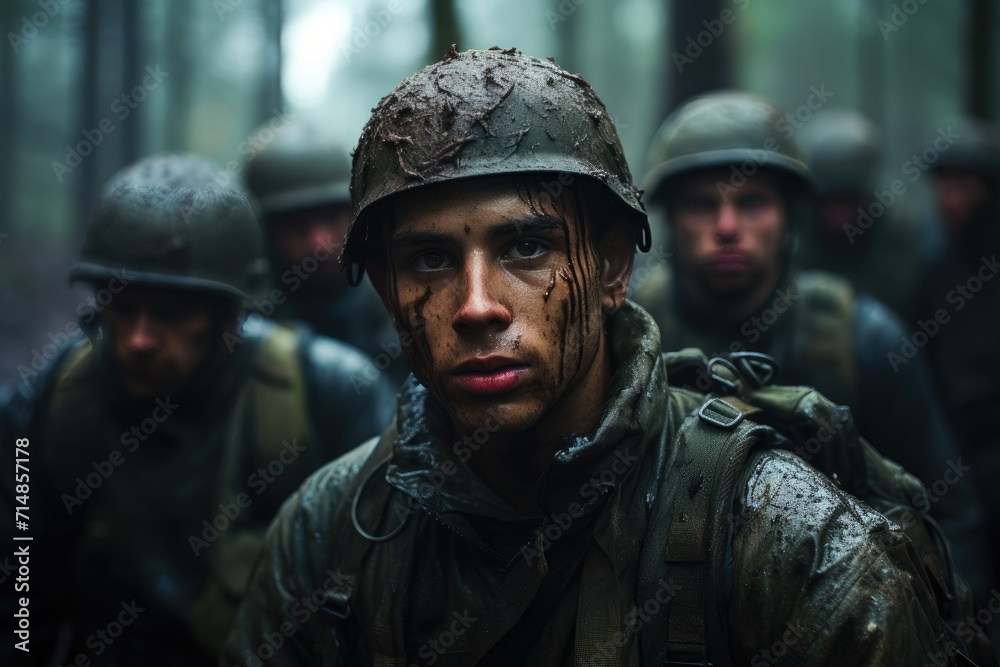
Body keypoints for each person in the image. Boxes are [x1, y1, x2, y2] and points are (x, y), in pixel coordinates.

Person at [225, 49, 990, 666]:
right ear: (389, 293)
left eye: (526, 246)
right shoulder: (329, 535)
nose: (477, 304)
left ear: (615, 269)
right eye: (428, 259)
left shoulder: (783, 539)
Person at [0, 154, 394, 666]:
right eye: (121, 306)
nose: (138, 340)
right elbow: (19, 593)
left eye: (170, 312)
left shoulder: (331, 391)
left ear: (231, 311)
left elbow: (385, 596)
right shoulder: (52, 398)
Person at [633, 91, 994, 605]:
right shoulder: (626, 336)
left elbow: (948, 513)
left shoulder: (865, 338)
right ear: (670, 217)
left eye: (753, 202)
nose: (728, 227)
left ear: (788, 216)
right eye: (701, 204)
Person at [909, 115, 1000, 623]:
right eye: (944, 187)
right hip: (953, 454)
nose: (949, 199)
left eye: (962, 187)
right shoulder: (933, 262)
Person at [243, 119, 409, 389]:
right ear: (266, 231)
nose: (320, 245)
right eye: (296, 225)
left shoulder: (392, 309)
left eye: (331, 217)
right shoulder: (245, 323)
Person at [794, 108, 923, 316]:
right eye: (827, 202)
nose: (838, 217)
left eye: (848, 200)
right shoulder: (797, 235)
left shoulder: (899, 237)